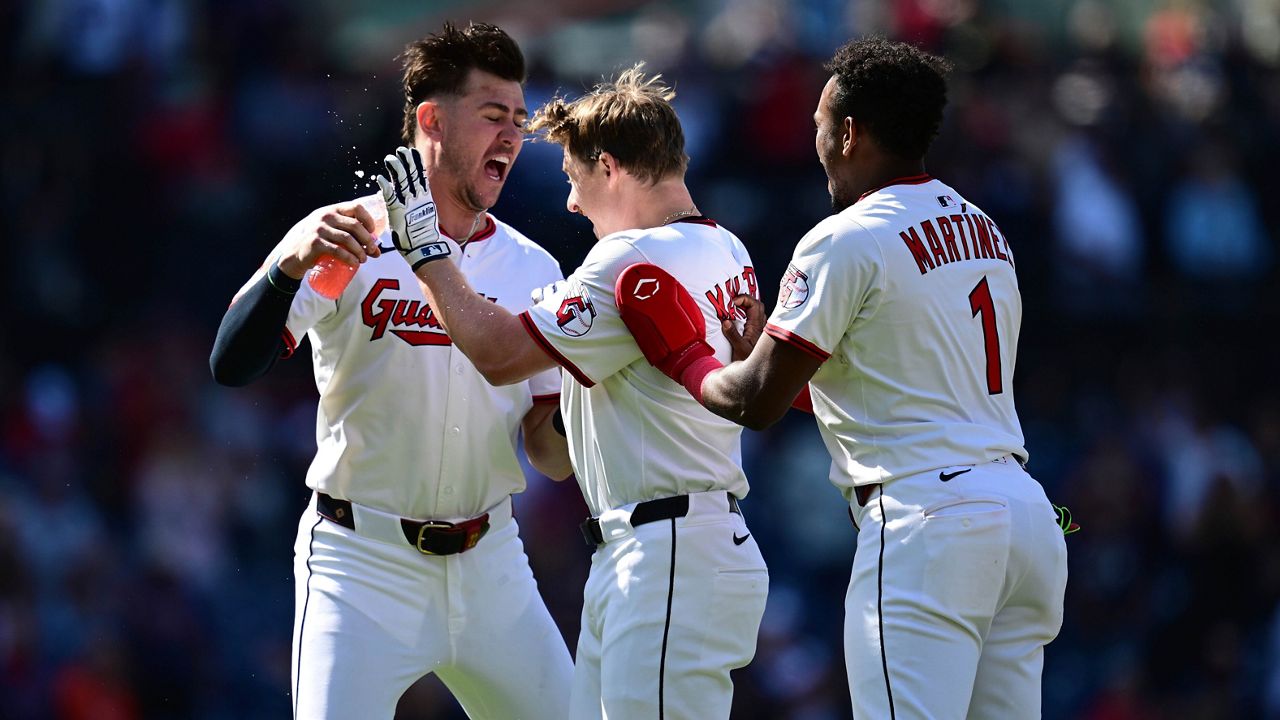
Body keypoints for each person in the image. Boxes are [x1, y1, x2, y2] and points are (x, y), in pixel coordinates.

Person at [617, 39, 1069, 719]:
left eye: (821, 125)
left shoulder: (844, 237)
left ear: (850, 133)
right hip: (1027, 519)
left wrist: (686, 356)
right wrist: (764, 353)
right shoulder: (984, 229)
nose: (817, 141)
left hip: (928, 523)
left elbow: (755, 402)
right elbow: (891, 391)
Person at [376, 65, 769, 719]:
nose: (572, 204)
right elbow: (583, 431)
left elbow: (500, 357)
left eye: (574, 179)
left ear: (609, 167)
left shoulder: (629, 259)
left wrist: (426, 253)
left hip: (668, 554)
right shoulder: (727, 248)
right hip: (669, 545)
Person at [208, 22, 574, 719]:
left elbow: (549, 456)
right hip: (361, 563)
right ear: (431, 120)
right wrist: (288, 269)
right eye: (493, 116)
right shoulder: (346, 235)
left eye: (519, 122)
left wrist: (592, 408)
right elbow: (231, 363)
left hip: (490, 560)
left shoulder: (534, 266)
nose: (512, 137)